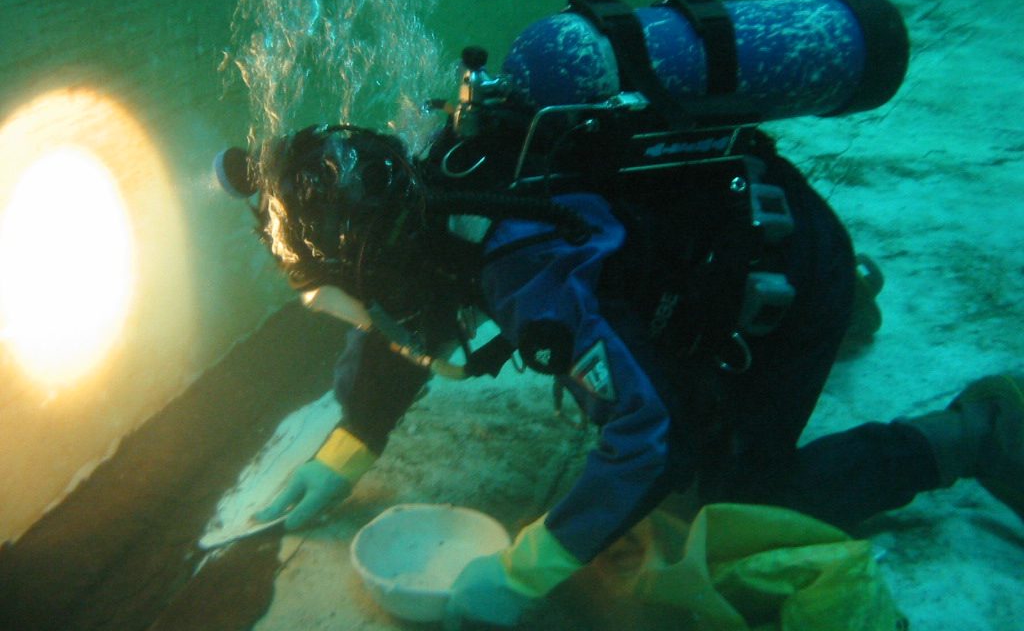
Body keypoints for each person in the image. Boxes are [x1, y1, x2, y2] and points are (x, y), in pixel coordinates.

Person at [214, 117, 1023, 630]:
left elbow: (648, 436)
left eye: (358, 299)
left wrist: (525, 570)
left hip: (789, 269)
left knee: (740, 501)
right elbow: (403, 328)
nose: (372, 319)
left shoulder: (527, 268)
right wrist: (345, 447)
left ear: (376, 264)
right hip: (749, 234)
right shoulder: (438, 184)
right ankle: (838, 304)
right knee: (683, 328)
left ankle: (969, 435)